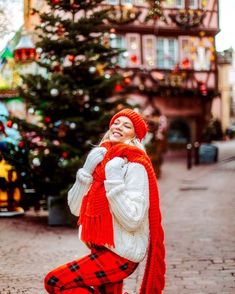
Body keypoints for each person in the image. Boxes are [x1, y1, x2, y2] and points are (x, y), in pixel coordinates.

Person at [44, 108, 165, 294]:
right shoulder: (100, 159)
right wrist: (85, 172)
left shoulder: (136, 166)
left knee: (55, 281)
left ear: (135, 135)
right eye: (116, 122)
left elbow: (133, 219)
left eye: (127, 126)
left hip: (122, 254)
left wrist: (114, 180)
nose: (119, 127)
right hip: (101, 248)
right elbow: (76, 209)